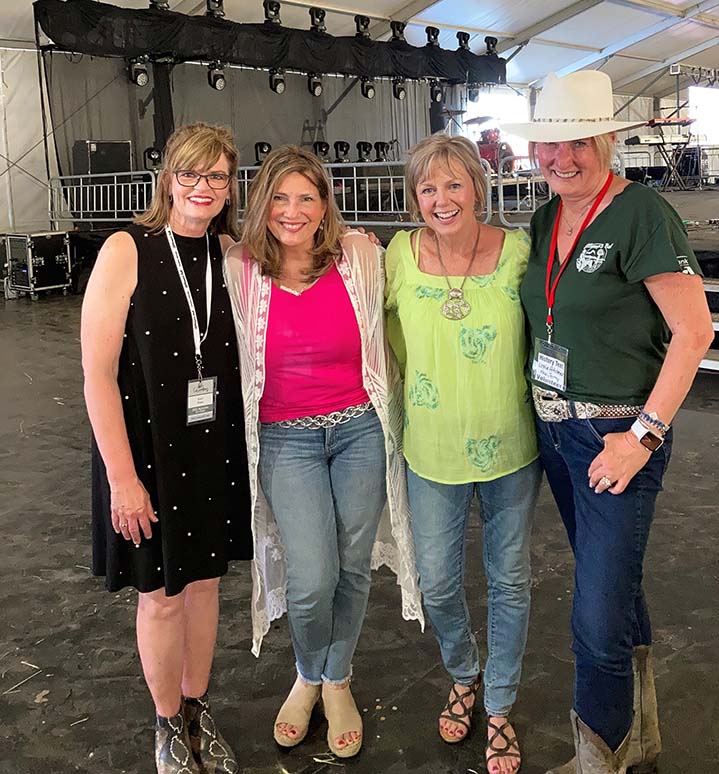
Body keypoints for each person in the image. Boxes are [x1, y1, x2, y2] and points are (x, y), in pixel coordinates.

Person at [503, 70, 715, 773]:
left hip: (616, 435)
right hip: (556, 433)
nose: (561, 158)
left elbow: (695, 333)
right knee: (615, 588)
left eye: (578, 143)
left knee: (595, 617)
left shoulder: (642, 213)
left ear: (607, 142)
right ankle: (637, 741)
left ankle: (598, 759)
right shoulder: (545, 218)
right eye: (550, 144)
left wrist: (644, 437)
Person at [224, 145, 423, 759]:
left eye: (306, 197)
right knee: (312, 578)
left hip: (360, 430)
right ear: (262, 204)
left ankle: (335, 680)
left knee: (353, 566)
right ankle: (308, 673)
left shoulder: (360, 255)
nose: (293, 211)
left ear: (324, 204)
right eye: (280, 198)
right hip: (286, 438)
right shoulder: (239, 268)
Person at [82, 122, 251, 774]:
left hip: (211, 445)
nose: (202, 187)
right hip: (146, 450)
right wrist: (122, 479)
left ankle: (196, 705)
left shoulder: (227, 252)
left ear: (229, 186)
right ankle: (166, 722)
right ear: (169, 179)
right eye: (191, 173)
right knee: (161, 594)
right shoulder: (127, 249)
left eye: (217, 176)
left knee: (205, 585)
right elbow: (97, 375)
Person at [385, 134, 542, 774]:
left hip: (512, 448)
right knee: (437, 580)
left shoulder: (519, 253)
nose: (442, 199)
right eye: (428, 188)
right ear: (414, 197)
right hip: (430, 450)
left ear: (479, 186)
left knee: (510, 580)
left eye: (454, 184)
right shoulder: (398, 254)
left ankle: (499, 704)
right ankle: (463, 670)